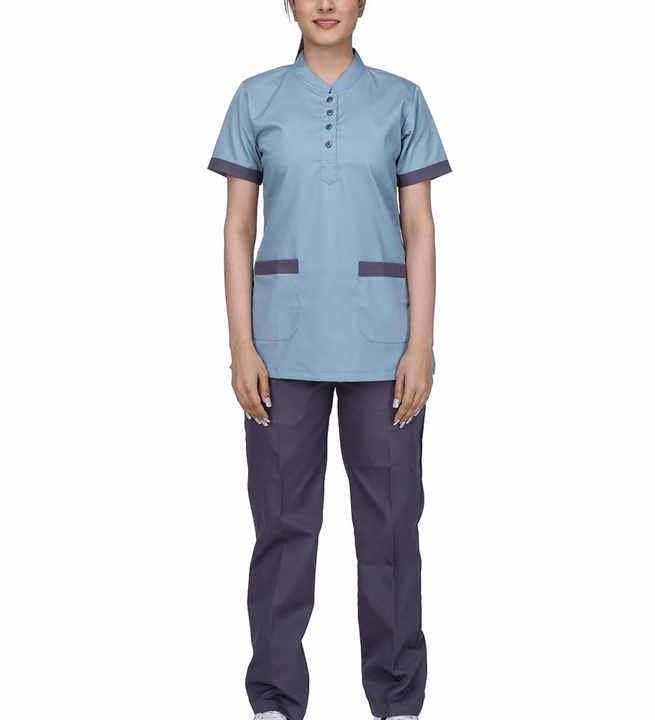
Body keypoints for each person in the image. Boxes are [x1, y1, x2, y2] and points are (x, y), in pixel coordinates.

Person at [207, 2, 451, 718]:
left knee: (392, 526)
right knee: (283, 527)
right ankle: (276, 699)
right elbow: (238, 227)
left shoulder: (402, 100)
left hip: (384, 346)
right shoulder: (256, 99)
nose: (325, 5)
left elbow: (420, 227)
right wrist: (241, 344)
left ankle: (397, 700)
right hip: (281, 345)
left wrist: (421, 345)